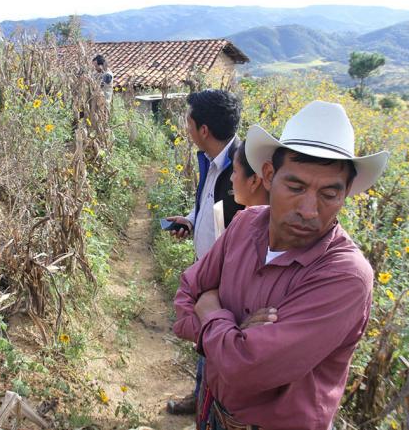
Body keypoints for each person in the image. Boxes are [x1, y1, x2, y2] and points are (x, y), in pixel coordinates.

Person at [173, 100, 389, 430]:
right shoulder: (245, 224)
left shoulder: (345, 276)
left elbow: (246, 369)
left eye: (329, 194)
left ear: (346, 193)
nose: (308, 210)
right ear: (269, 176)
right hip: (212, 410)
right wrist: (235, 333)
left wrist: (212, 310)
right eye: (295, 187)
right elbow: (186, 297)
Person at [165, 89, 244, 415]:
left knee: (216, 339)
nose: (186, 128)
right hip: (209, 269)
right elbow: (211, 207)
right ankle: (200, 398)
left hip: (228, 279)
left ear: (204, 130)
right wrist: (191, 220)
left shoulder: (243, 169)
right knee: (205, 339)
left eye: (188, 122)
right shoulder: (212, 161)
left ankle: (210, 408)